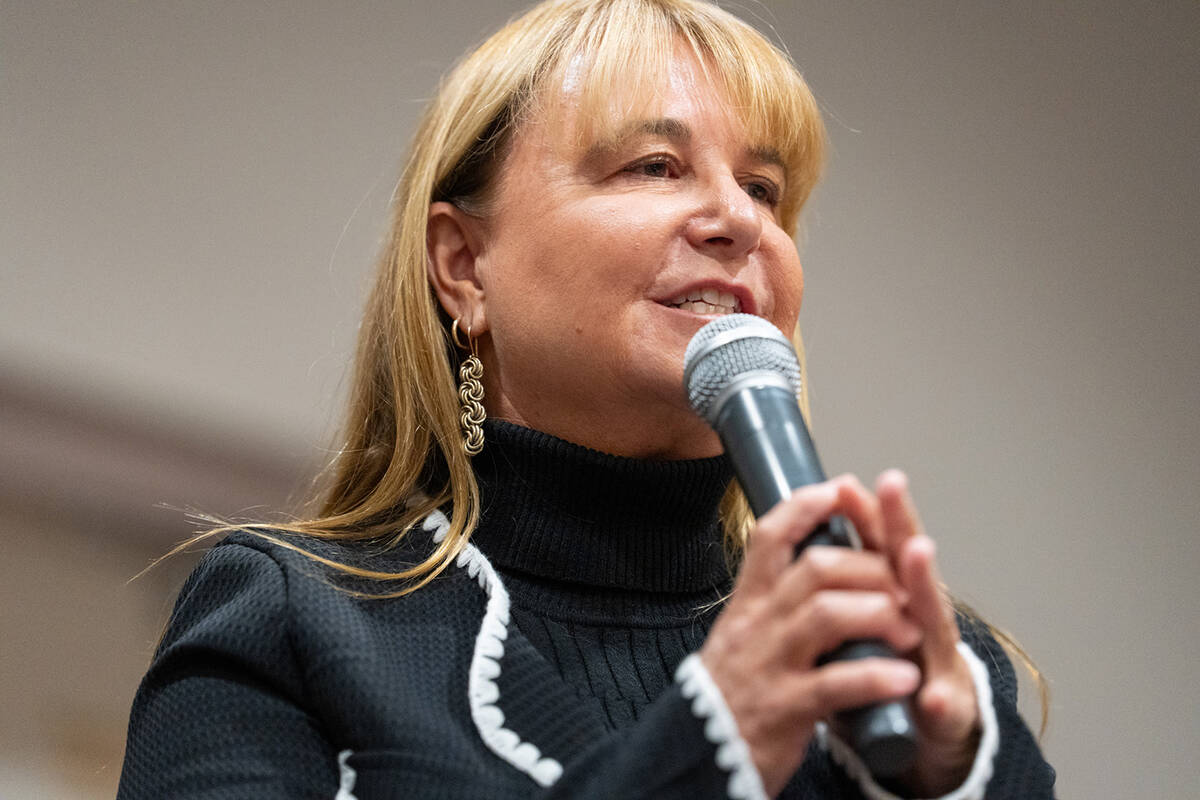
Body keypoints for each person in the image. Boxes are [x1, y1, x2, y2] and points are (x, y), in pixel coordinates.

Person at [118, 0, 1056, 797]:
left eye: (764, 188)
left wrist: (950, 779)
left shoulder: (910, 670)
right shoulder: (294, 622)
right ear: (463, 265)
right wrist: (712, 742)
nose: (738, 220)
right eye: (654, 165)